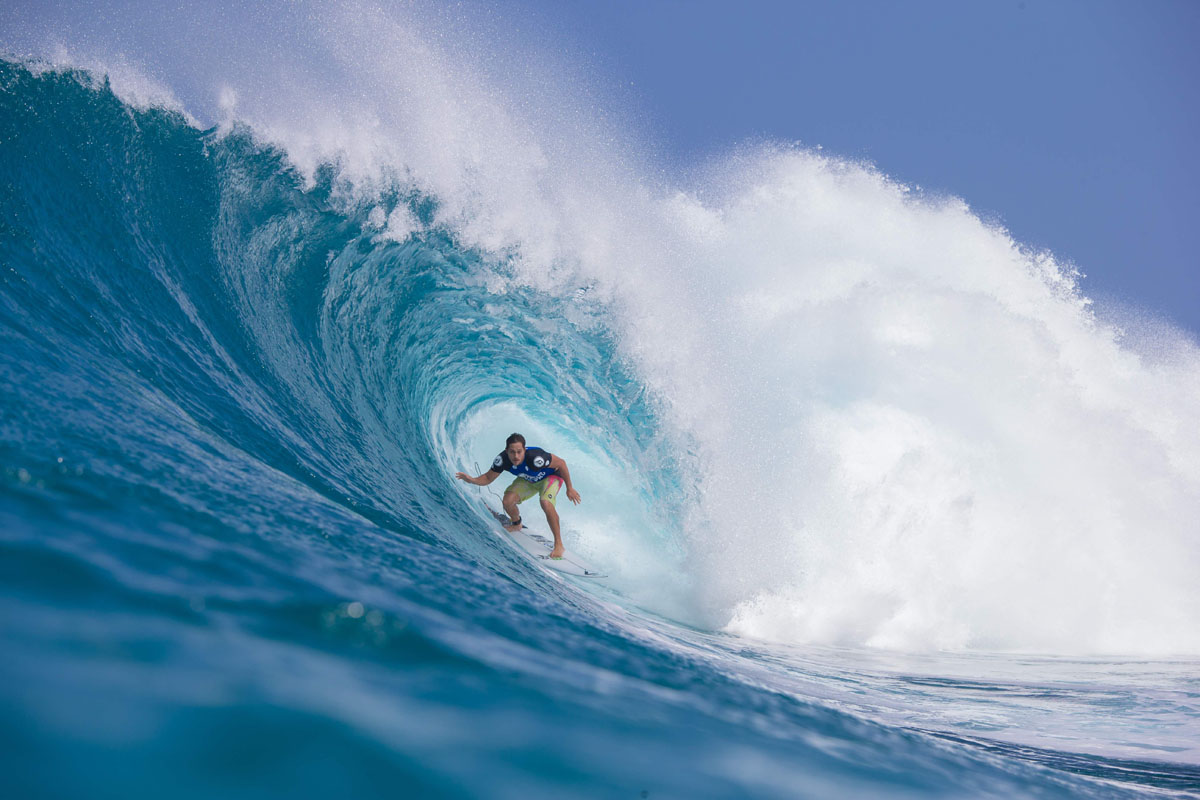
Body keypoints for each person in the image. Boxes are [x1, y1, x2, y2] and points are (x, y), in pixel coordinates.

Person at [455, 432, 581, 558]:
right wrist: (472, 480)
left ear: (524, 450)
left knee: (545, 503)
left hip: (551, 477)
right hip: (529, 479)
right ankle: (516, 524)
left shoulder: (536, 458)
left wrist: (569, 488)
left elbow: (561, 464)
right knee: (507, 502)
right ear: (506, 451)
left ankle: (559, 544)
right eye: (512, 452)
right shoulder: (502, 460)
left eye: (519, 452)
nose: (516, 456)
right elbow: (488, 478)